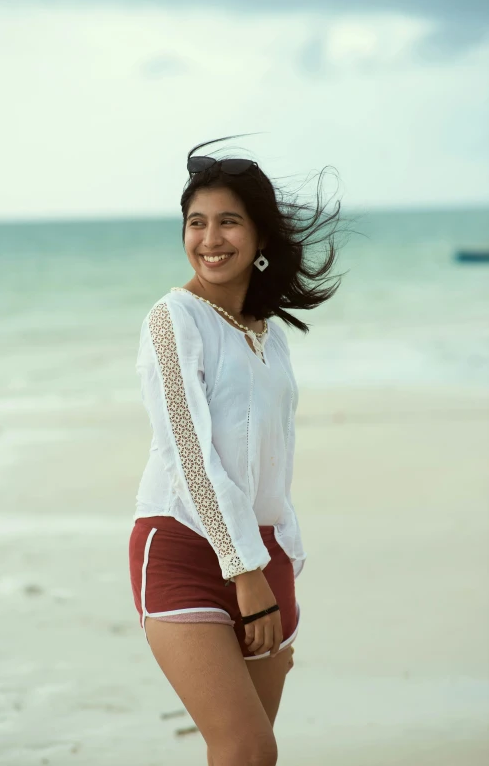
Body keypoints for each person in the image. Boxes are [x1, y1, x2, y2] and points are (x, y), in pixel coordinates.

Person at [129, 134, 343, 766]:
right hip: (183, 549)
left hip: (265, 557)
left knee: (255, 756)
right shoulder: (173, 318)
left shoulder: (269, 335)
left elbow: (276, 455)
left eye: (228, 221)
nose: (209, 238)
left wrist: (284, 560)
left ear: (259, 238)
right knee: (244, 747)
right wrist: (244, 570)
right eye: (196, 223)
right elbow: (186, 451)